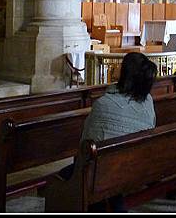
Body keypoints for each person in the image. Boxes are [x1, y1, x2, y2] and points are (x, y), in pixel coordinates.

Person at [59, 52, 158, 212]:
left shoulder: (104, 104)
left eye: (121, 65)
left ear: (125, 73)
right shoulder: (148, 101)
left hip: (105, 173)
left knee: (62, 178)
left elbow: (85, 144)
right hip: (137, 165)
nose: (117, 67)